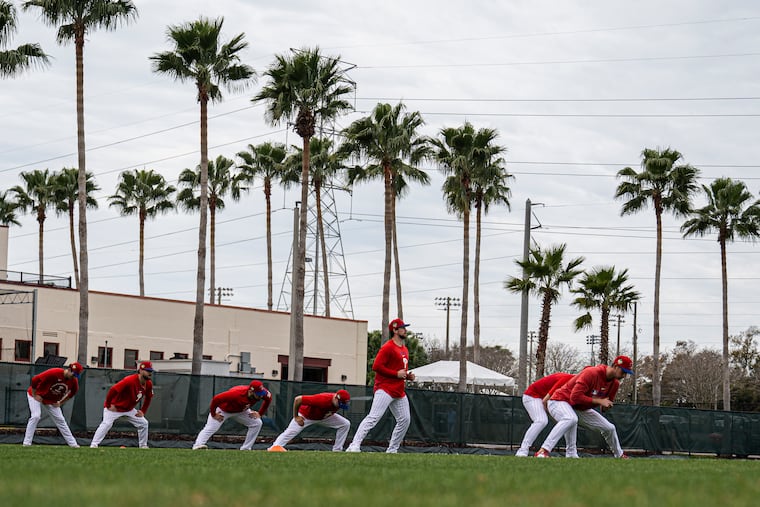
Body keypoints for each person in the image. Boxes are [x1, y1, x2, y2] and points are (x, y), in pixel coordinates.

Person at [535, 355, 633, 459]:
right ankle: (543, 451)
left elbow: (604, 407)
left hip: (578, 408)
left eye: (626, 373)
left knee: (610, 428)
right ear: (615, 366)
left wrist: (606, 406)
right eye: (623, 372)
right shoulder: (592, 373)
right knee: (571, 418)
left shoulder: (615, 384)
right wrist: (599, 401)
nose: (624, 375)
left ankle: (619, 455)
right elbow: (575, 397)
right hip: (559, 401)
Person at [346, 318, 415, 453]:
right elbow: (376, 366)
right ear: (395, 330)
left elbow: (400, 371)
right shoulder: (388, 347)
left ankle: (392, 449)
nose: (405, 330)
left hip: (399, 391)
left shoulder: (405, 349)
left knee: (405, 420)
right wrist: (396, 374)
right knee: (373, 417)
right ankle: (354, 445)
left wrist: (408, 376)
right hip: (385, 389)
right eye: (402, 328)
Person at [90, 361, 155, 448]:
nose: (150, 373)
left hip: (128, 409)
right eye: (147, 371)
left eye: (151, 371)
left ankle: (143, 445)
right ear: (141, 370)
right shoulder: (130, 380)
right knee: (106, 424)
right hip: (114, 407)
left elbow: (148, 397)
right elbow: (113, 389)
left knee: (144, 423)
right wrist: (108, 404)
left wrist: (143, 411)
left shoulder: (149, 384)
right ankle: (94, 444)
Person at [192, 380, 272, 450]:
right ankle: (198, 445)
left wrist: (260, 413)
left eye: (261, 393)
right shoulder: (236, 394)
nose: (261, 396)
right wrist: (214, 414)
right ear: (250, 391)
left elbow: (269, 398)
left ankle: (246, 448)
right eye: (258, 394)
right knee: (211, 427)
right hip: (223, 410)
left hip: (242, 411)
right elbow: (216, 399)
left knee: (257, 423)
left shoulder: (263, 393)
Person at [268, 389, 351, 452]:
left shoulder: (337, 401)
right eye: (341, 404)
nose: (341, 406)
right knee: (290, 432)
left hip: (323, 417)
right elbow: (298, 399)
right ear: (336, 398)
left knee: (345, 424)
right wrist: (296, 416)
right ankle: (275, 447)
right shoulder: (322, 399)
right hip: (305, 416)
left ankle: (337, 450)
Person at [24, 362, 84, 447]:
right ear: (69, 370)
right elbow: (35, 379)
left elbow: (72, 393)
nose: (74, 377)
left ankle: (73, 444)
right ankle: (27, 443)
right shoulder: (54, 372)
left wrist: (61, 402)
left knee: (61, 420)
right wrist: (35, 395)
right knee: (36, 416)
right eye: (73, 374)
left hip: (51, 400)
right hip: (37, 394)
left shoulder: (74, 381)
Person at [515, 371, 574, 457]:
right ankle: (522, 450)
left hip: (542, 398)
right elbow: (546, 400)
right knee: (541, 420)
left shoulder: (578, 383)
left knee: (571, 419)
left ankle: (572, 453)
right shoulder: (568, 379)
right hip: (532, 396)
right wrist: (550, 412)